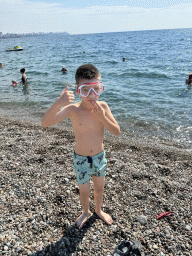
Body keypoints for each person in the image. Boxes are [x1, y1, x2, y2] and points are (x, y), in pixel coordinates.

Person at [42, 64, 120, 229]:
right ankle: (85, 211)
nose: (92, 95)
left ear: (101, 88)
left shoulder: (103, 107)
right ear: (78, 90)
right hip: (80, 159)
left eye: (96, 89)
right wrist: (58, 103)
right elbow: (45, 123)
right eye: (86, 91)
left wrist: (102, 117)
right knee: (84, 191)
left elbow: (116, 131)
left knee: (99, 188)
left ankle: (98, 210)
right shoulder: (72, 109)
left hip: (99, 157)